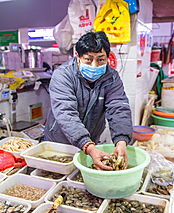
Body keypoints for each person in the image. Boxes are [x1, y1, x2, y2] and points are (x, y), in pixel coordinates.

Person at [44, 31, 133, 170]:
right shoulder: (63, 75)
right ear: (77, 56)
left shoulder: (112, 78)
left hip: (91, 141)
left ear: (107, 58)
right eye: (88, 59)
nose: (94, 65)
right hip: (60, 142)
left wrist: (121, 142)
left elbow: (118, 108)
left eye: (101, 60)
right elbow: (66, 113)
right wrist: (88, 146)